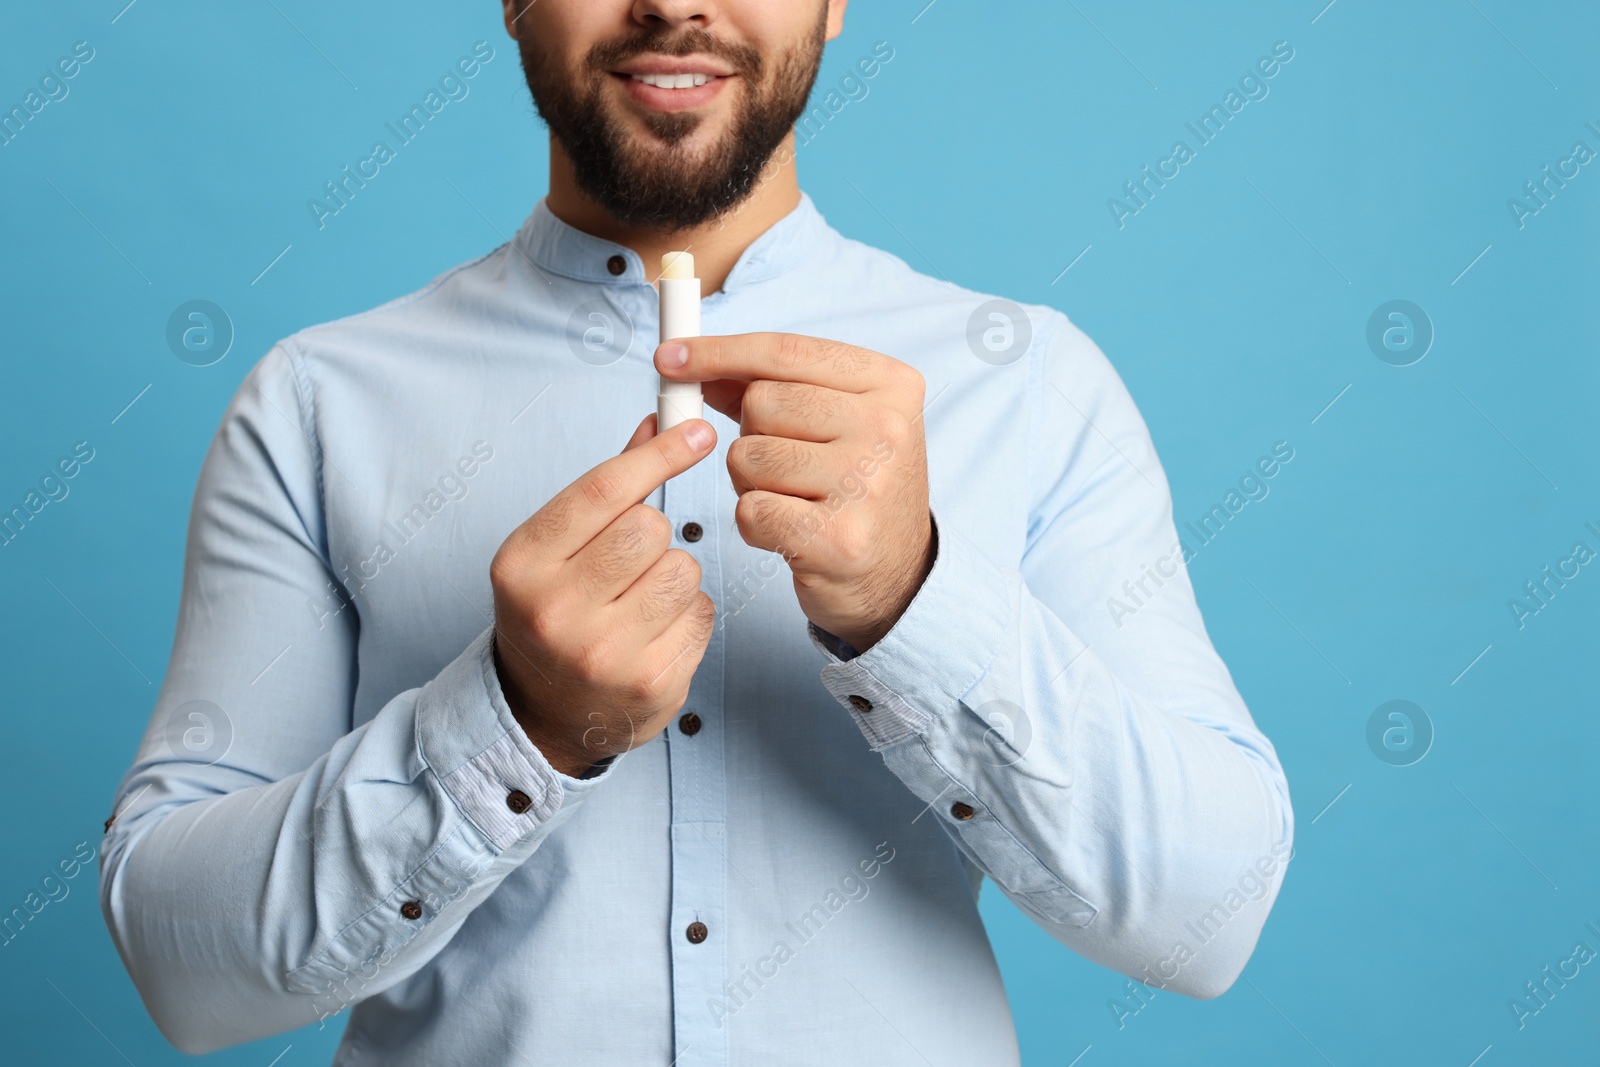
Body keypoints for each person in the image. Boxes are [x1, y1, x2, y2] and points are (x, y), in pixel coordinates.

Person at [100, 1, 1293, 1063]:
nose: (672, 6)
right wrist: (514, 724)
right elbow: (184, 969)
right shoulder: (320, 401)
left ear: (832, 6)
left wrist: (912, 603)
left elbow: (1208, 915)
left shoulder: (1026, 381)